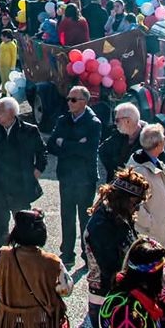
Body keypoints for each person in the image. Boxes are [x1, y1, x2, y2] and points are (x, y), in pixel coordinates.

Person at [83, 169, 148, 328]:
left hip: (121, 296)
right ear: (123, 199)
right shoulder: (101, 226)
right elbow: (112, 269)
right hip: (107, 300)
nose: (138, 208)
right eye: (136, 203)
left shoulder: (119, 216)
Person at [0, 97, 47, 249]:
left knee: (24, 226)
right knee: (1, 228)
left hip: (20, 188)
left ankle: (24, 258)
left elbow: (42, 151)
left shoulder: (29, 130)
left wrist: (38, 169)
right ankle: (1, 260)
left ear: (11, 113)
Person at [51, 86, 104, 267]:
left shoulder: (93, 123)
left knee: (85, 218)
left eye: (73, 100)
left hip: (85, 178)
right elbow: (51, 145)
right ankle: (67, 252)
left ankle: (87, 253)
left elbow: (88, 151)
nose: (69, 102)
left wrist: (64, 143)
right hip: (66, 176)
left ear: (84, 102)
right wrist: (75, 144)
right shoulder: (62, 120)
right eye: (68, 99)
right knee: (66, 215)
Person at [123, 125, 165, 252]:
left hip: (160, 236)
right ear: (159, 144)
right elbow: (131, 204)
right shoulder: (139, 171)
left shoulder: (157, 161)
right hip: (149, 240)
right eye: (164, 138)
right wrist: (152, 224)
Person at [97, 102, 140, 185]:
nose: (115, 123)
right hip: (118, 185)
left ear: (128, 121)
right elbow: (102, 151)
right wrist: (112, 170)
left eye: (117, 120)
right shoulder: (118, 135)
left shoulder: (149, 140)